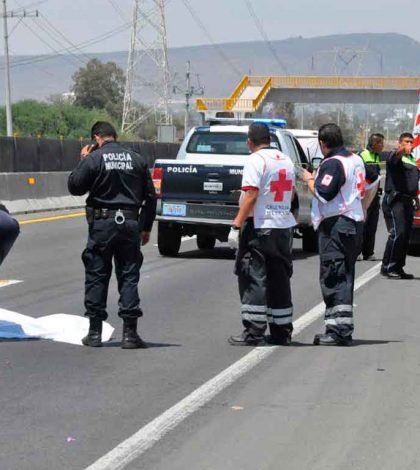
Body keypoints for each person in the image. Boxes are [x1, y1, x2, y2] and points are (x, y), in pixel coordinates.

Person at [68, 121, 156, 348]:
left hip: (103, 223)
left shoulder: (95, 158)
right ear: (114, 136)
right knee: (128, 275)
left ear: (96, 137)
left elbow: (75, 186)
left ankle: (95, 334)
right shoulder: (136, 159)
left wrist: (84, 160)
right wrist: (146, 227)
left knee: (97, 274)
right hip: (129, 223)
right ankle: (130, 335)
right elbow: (150, 197)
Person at [301, 123, 370, 346]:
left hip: (337, 225)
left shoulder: (333, 163)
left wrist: (309, 179)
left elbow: (324, 194)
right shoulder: (355, 159)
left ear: (323, 143)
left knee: (334, 275)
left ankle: (340, 331)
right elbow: (372, 182)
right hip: (352, 223)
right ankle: (337, 326)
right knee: (344, 274)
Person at [228, 122, 296, 346]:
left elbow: (251, 195)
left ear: (250, 142)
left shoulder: (255, 160)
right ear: (270, 139)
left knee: (253, 276)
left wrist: (236, 225)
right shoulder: (285, 159)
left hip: (260, 226)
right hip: (283, 226)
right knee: (279, 278)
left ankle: (254, 332)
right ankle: (281, 331)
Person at [381, 132, 419, 279]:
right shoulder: (395, 156)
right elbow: (393, 158)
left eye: (411, 142)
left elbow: (412, 181)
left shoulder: (411, 160)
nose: (409, 144)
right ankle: (388, 267)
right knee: (398, 233)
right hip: (396, 199)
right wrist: (402, 150)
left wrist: (416, 198)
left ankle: (398, 267)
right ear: (400, 143)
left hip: (408, 200)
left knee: (405, 235)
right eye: (406, 142)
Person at [358, 133, 384, 261]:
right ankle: (357, 251)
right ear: (374, 143)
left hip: (375, 196)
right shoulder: (362, 155)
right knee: (362, 224)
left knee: (372, 225)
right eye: (380, 143)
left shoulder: (377, 156)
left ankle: (368, 252)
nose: (382, 146)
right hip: (365, 196)